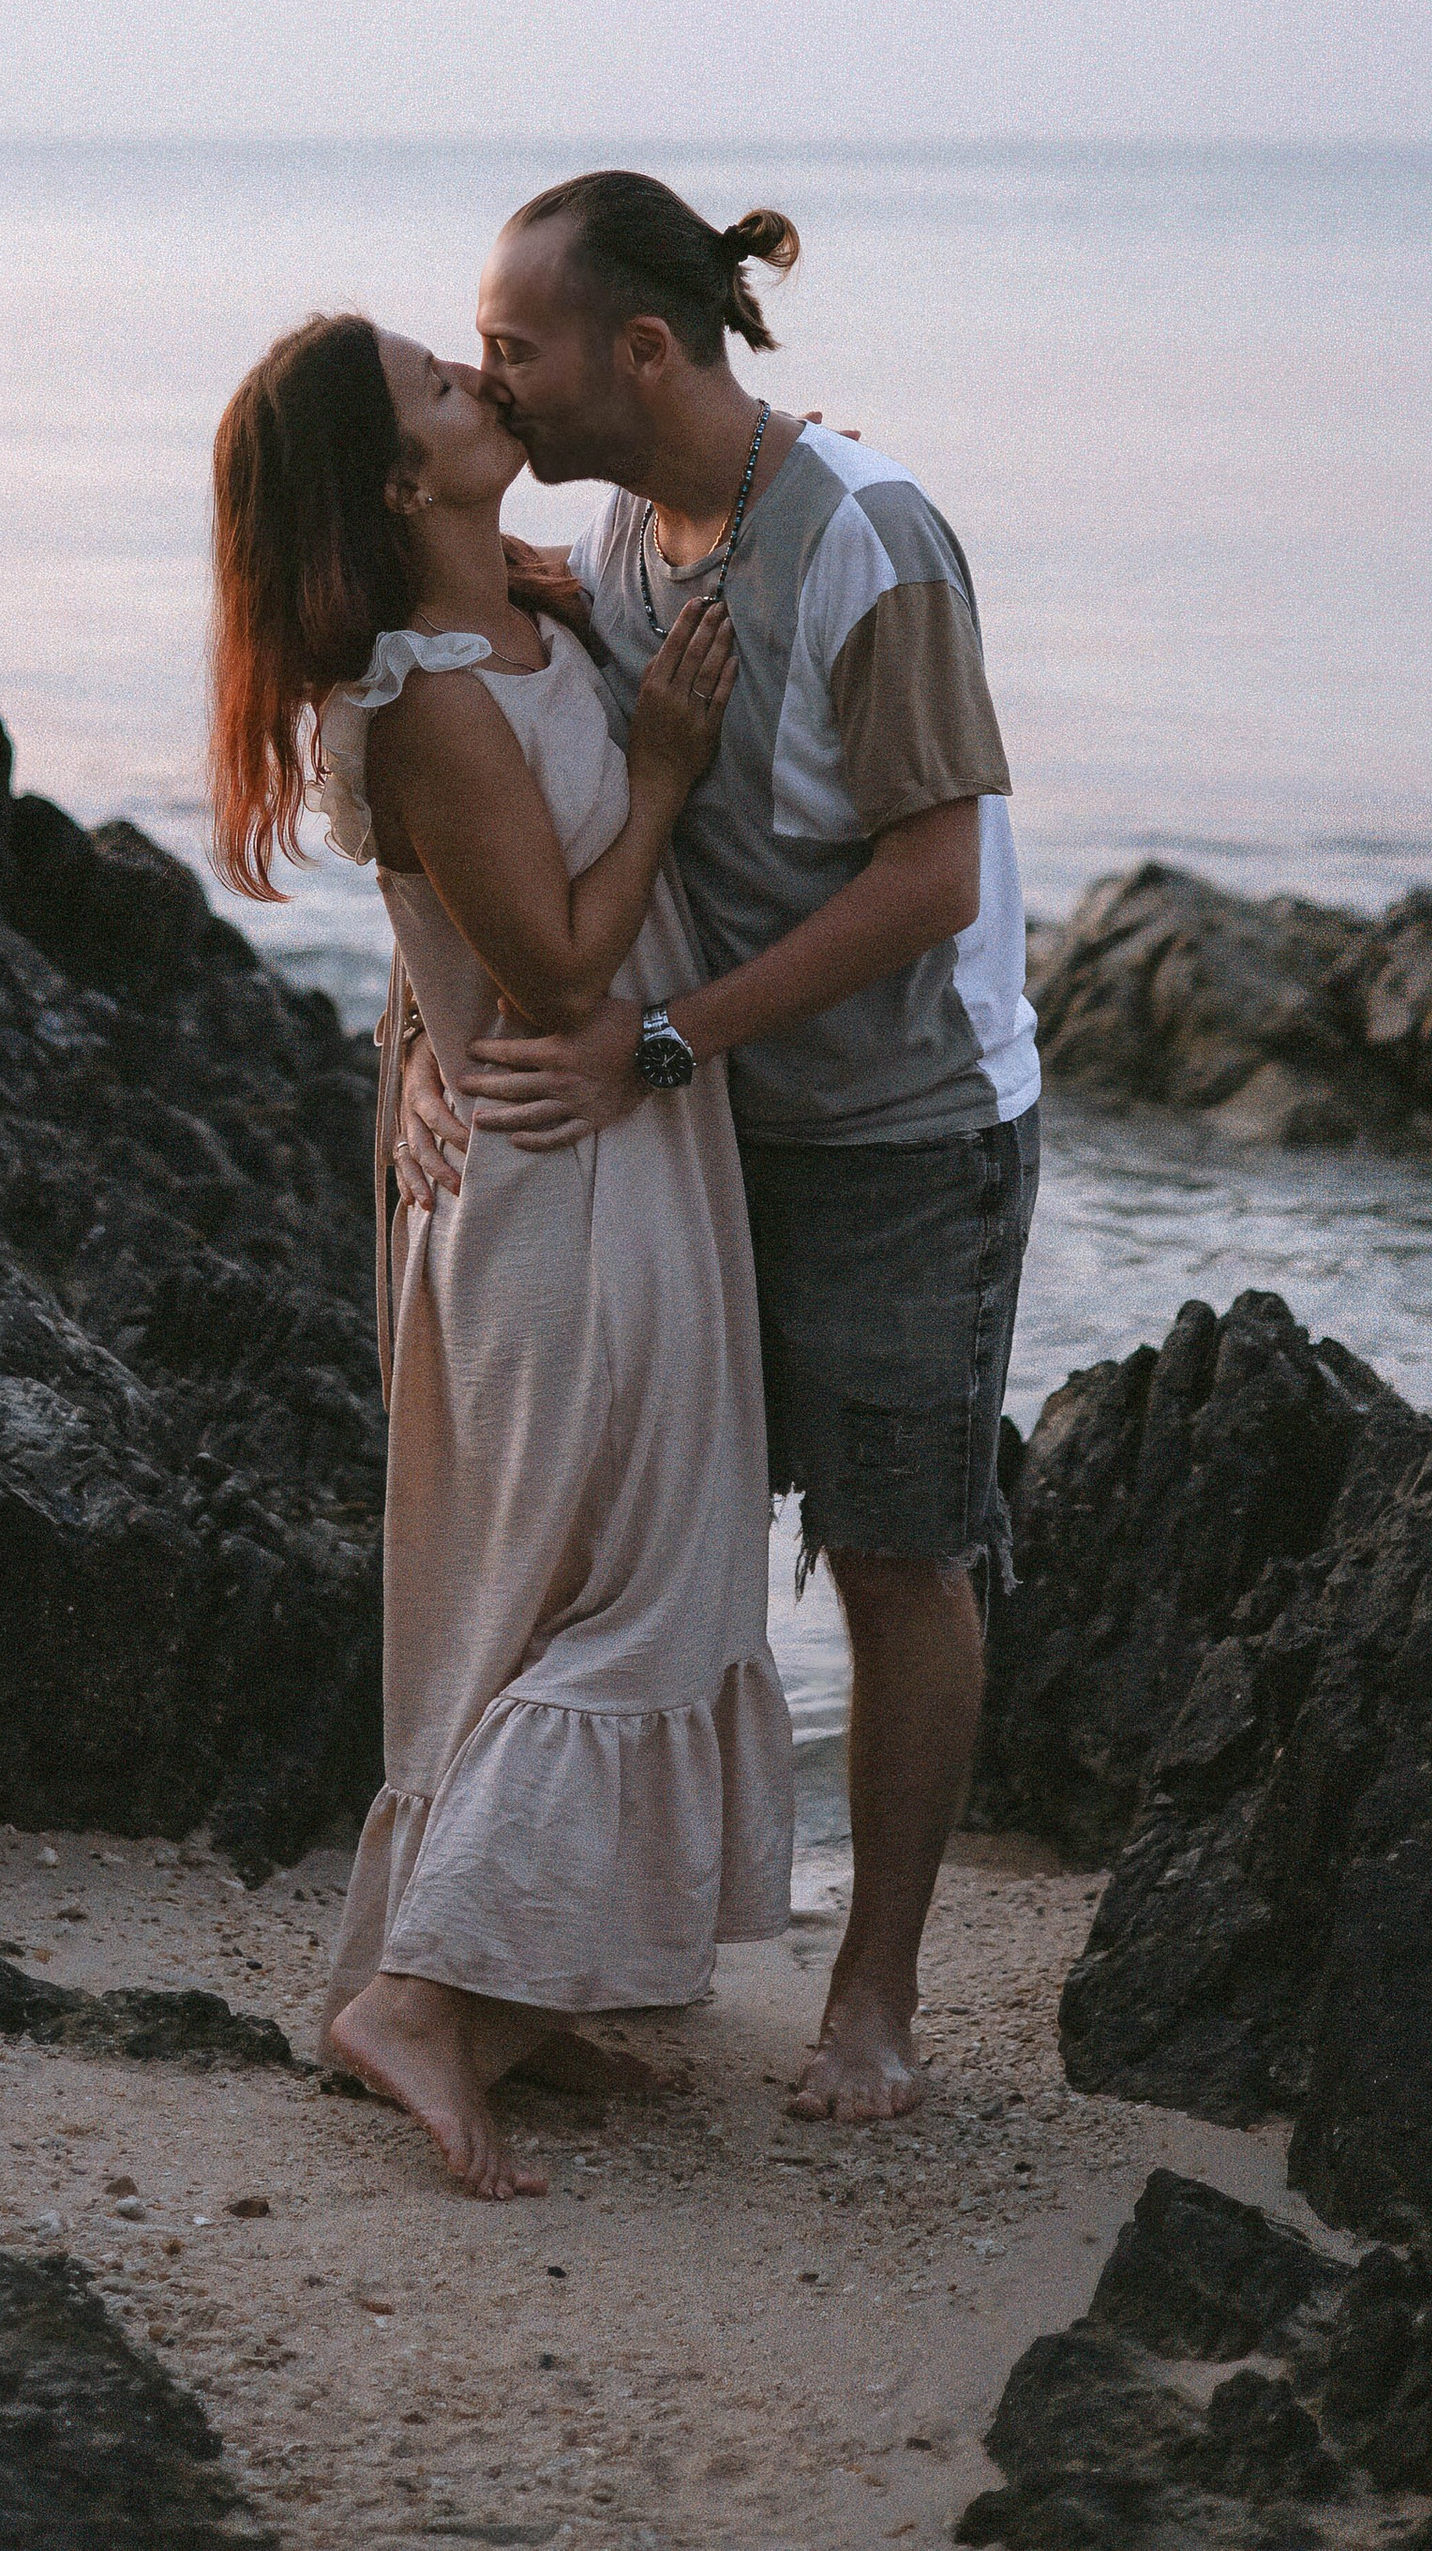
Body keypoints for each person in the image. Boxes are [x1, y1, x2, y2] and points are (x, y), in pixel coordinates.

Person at [393, 173, 1038, 2127]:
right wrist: (428, 1034)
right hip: (694, 1125)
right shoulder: (615, 532)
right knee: (640, 1534)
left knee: (892, 1547)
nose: (489, 373)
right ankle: (582, 1950)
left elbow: (929, 884)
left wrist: (654, 1042)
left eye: (511, 345)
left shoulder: (871, 541)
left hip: (895, 1130)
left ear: (639, 352)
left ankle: (869, 1997)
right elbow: (523, 806)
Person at [208, 310, 795, 2201]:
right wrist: (677, 765)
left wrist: (783, 466)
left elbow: (457, 919)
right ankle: (427, 2003)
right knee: (638, 1591)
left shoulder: (526, 610)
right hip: (572, 1173)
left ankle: (506, 1992)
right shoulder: (432, 690)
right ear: (400, 479)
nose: (483, 387)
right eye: (443, 390)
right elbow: (555, 966)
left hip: (611, 1148)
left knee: (569, 1594)